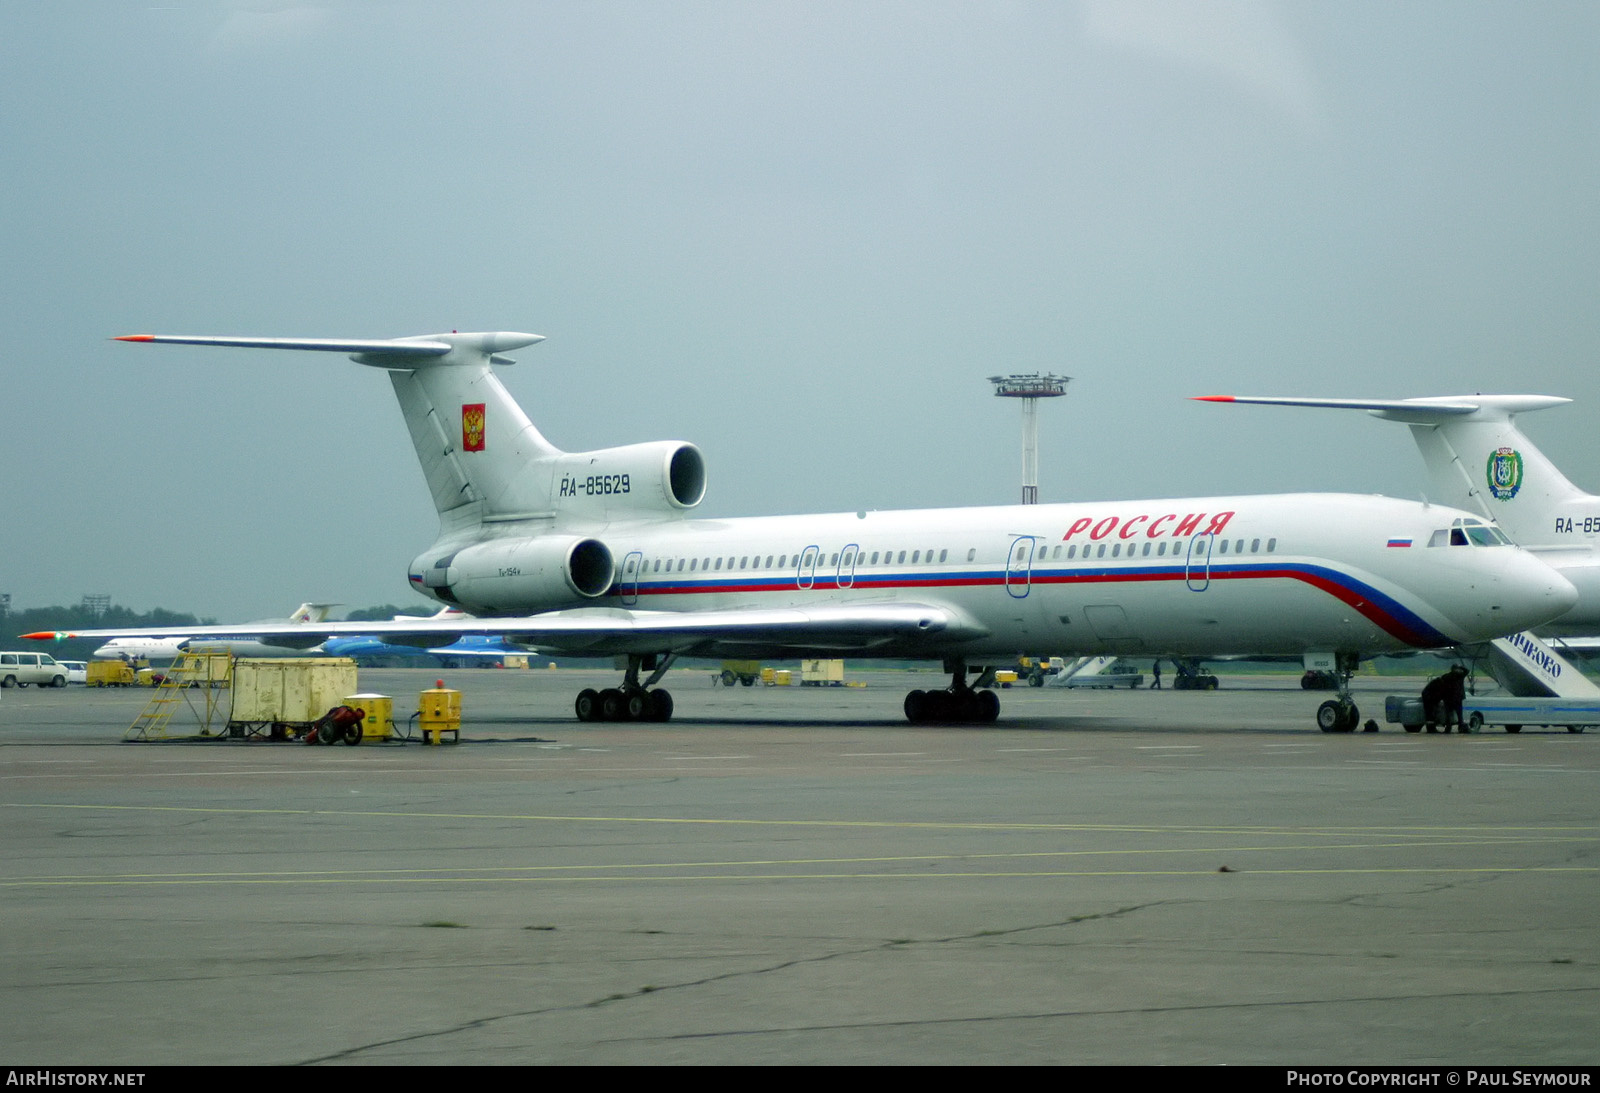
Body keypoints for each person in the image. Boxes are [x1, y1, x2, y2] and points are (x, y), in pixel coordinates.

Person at [1421, 665, 1469, 733]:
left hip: (1452, 698)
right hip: (1454, 698)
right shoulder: (1459, 676)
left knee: (1451, 714)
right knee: (1457, 715)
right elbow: (1467, 671)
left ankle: (1450, 728)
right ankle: (1457, 728)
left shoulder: (1448, 676)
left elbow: (1442, 687)